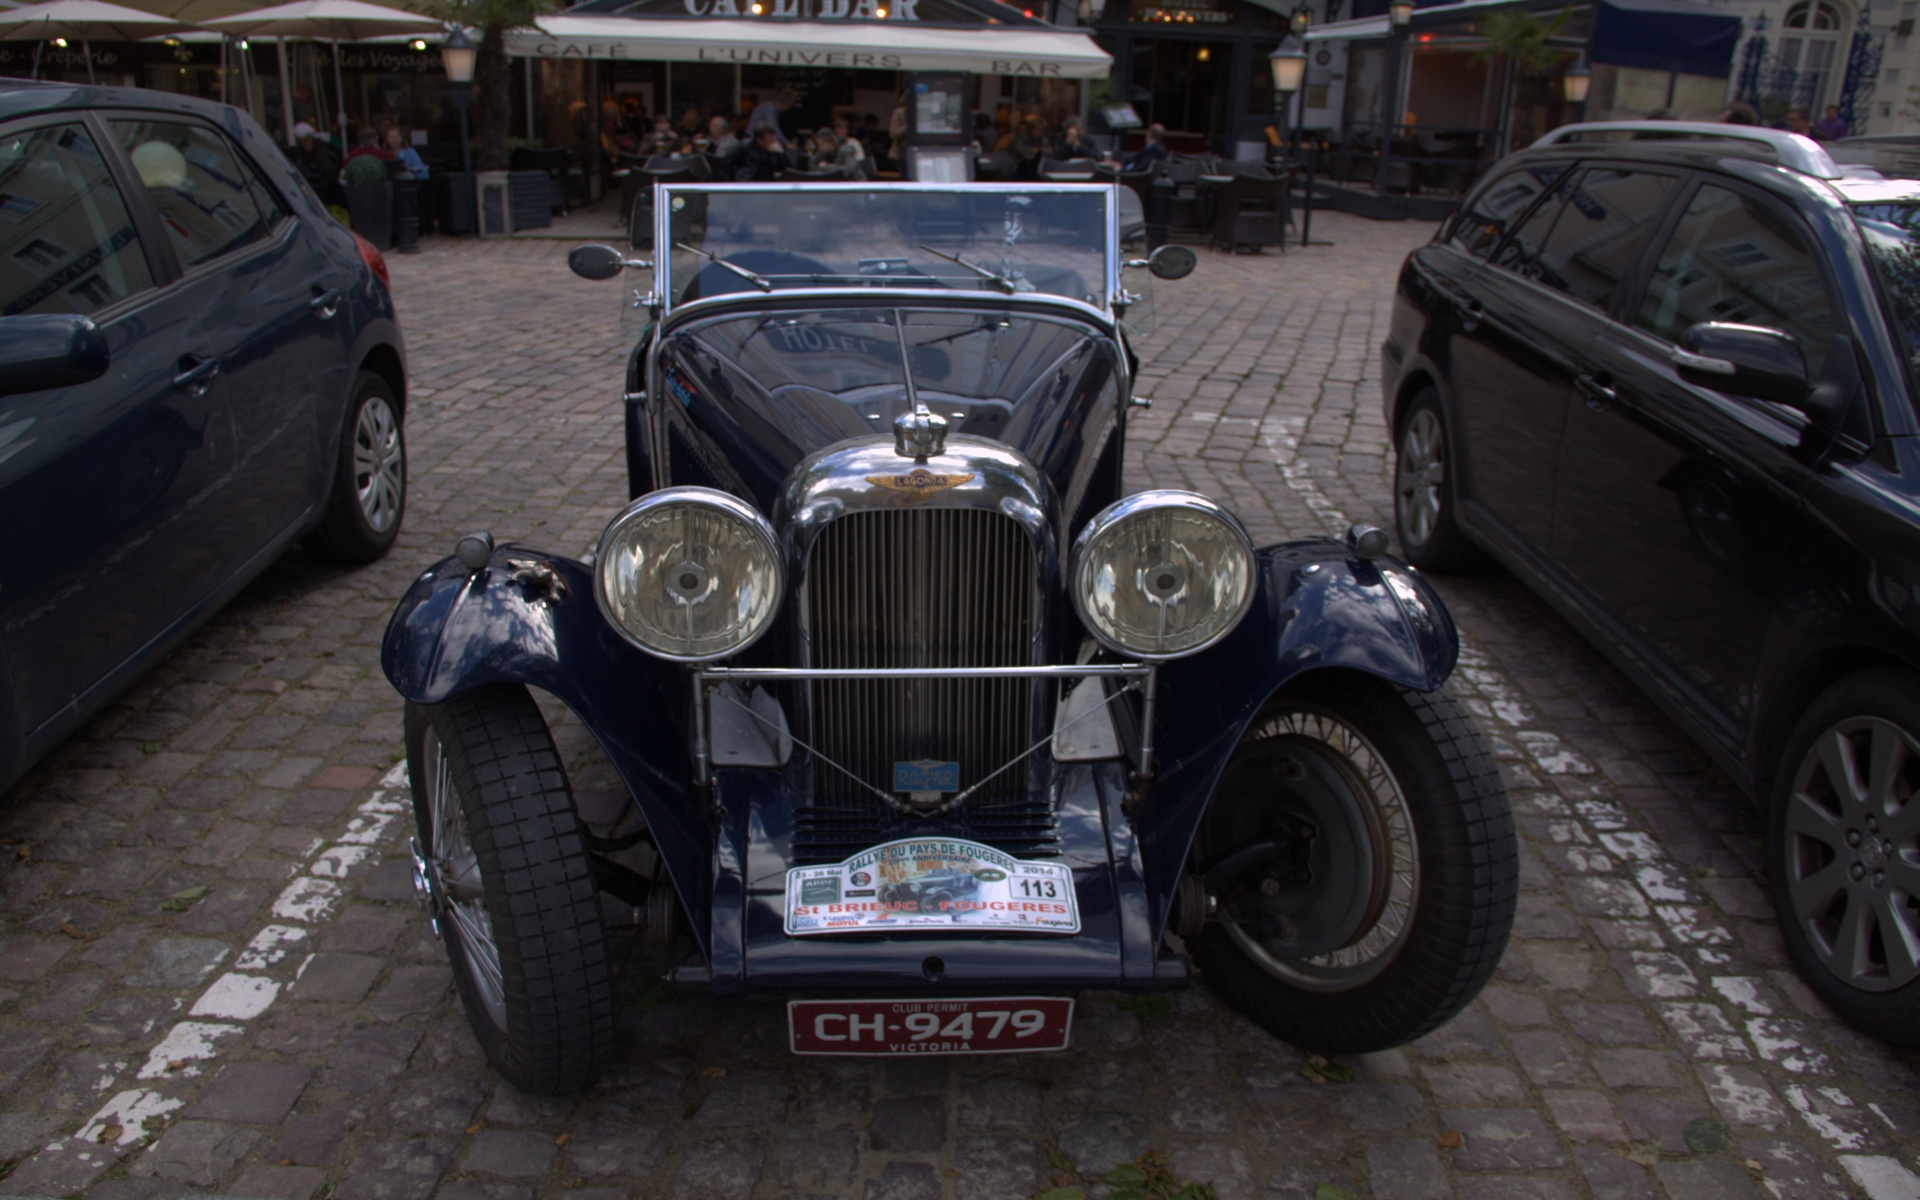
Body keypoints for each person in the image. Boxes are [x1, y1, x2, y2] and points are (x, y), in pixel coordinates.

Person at [288, 122, 343, 205]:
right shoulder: (303, 152)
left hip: (327, 197)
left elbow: (329, 175)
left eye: (306, 140)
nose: (305, 144)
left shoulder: (322, 153)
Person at [1011, 112, 1046, 180]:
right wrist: (1030, 150)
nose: (1039, 132)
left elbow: (1045, 149)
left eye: (1041, 130)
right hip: (1021, 164)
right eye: (1037, 129)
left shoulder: (1042, 138)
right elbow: (1018, 149)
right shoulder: (1022, 136)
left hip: (1036, 164)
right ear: (1032, 129)